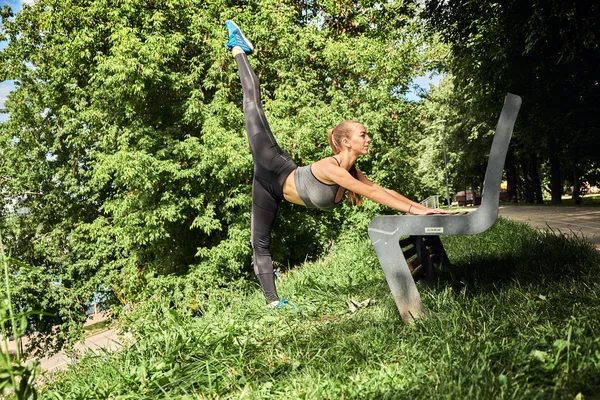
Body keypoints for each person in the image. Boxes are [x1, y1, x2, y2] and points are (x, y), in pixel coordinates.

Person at [225, 21, 451, 308]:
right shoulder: (332, 169)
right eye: (362, 134)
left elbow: (382, 190)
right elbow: (373, 195)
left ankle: (272, 302)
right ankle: (238, 48)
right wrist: (416, 210)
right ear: (346, 142)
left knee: (259, 242)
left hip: (271, 190)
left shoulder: (352, 171)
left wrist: (422, 210)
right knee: (252, 105)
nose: (368, 138)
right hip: (271, 164)